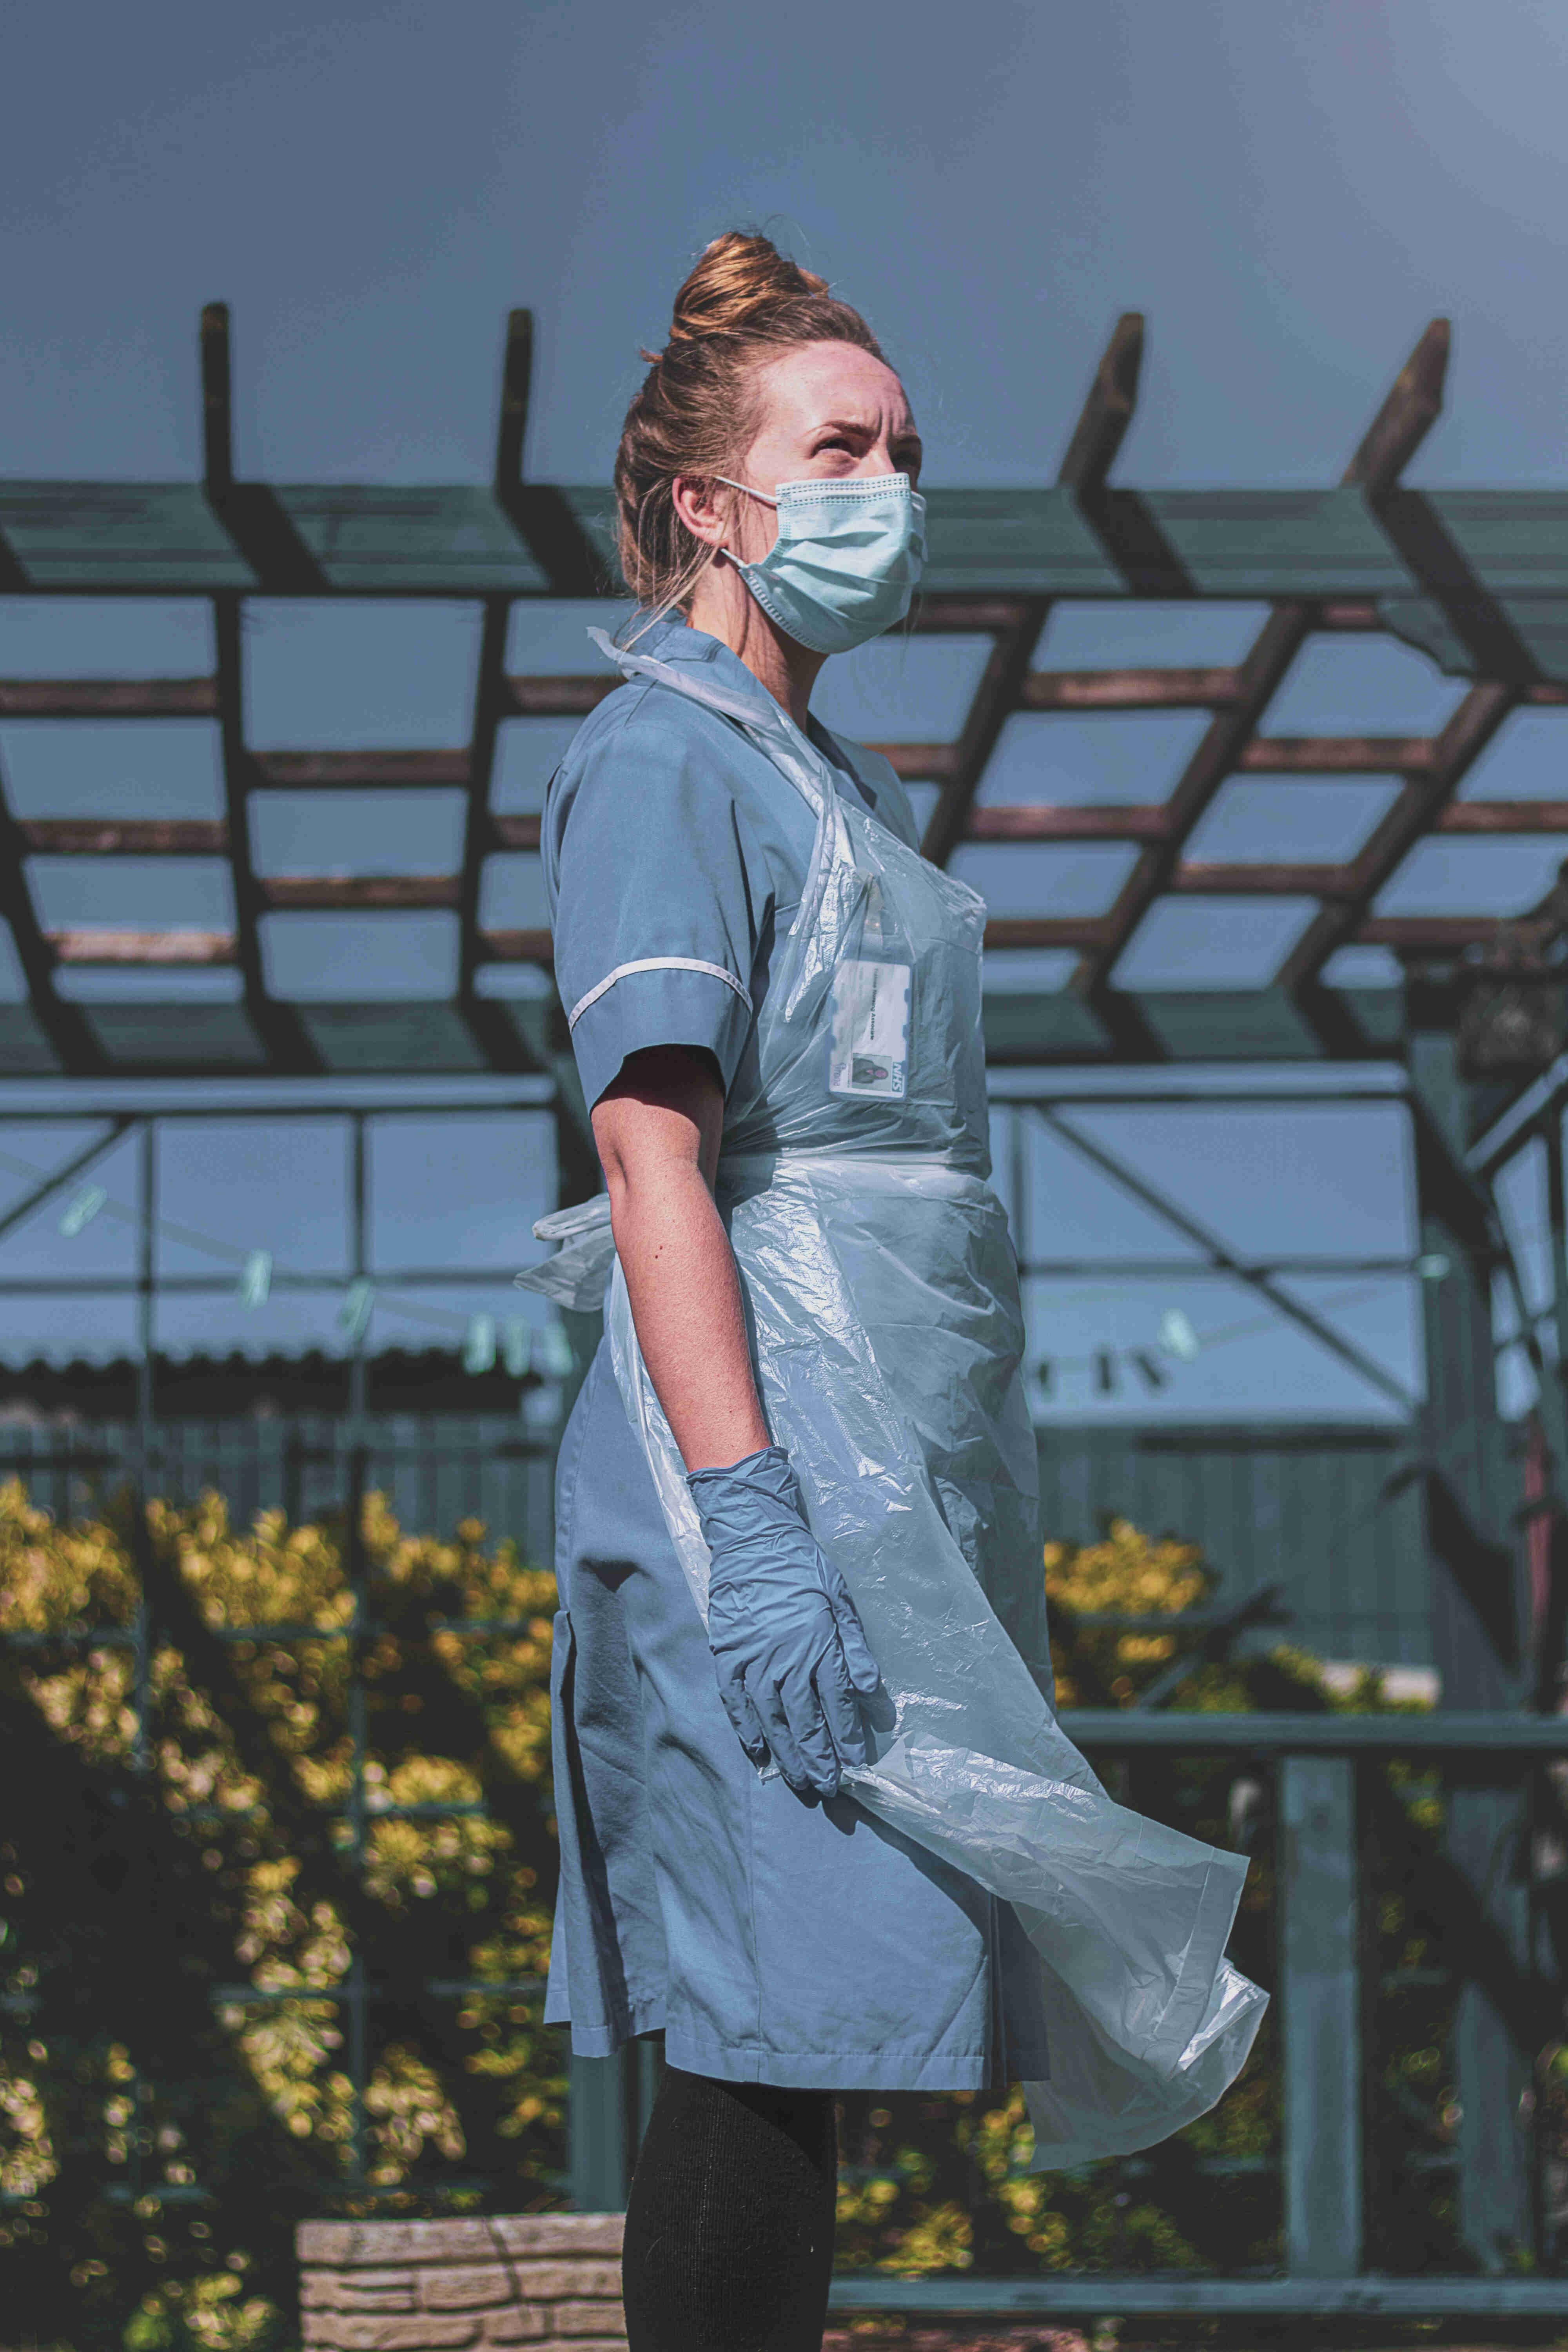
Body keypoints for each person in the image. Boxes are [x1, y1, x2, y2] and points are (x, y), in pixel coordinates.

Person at [531, 232, 1263, 2352]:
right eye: (840, 446)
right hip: (756, 1463)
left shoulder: (819, 775)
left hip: (888, 1455)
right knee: (757, 2038)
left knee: (817, 2027)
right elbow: (652, 1146)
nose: (890, 488)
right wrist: (754, 1523)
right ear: (709, 500)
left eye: (909, 452)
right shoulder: (664, 757)